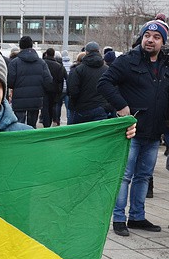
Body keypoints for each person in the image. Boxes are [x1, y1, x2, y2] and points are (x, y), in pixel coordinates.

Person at [98, 19, 169, 237]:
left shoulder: (166, 64)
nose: (151, 40)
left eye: (157, 37)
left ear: (163, 42)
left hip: (155, 131)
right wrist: (121, 106)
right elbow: (104, 83)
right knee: (125, 176)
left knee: (144, 176)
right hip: (132, 131)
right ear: (142, 37)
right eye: (148, 35)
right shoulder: (128, 61)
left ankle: (137, 216)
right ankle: (119, 218)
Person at [7, 35, 52, 128]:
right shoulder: (41, 63)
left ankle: (20, 141)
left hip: (19, 99)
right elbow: (48, 81)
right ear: (32, 46)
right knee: (32, 125)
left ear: (20, 47)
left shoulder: (15, 63)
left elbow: (10, 82)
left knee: (19, 125)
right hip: (36, 99)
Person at [67, 42, 113, 124]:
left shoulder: (79, 69)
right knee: (98, 135)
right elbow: (112, 89)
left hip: (82, 109)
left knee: (81, 134)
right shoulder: (107, 70)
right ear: (98, 51)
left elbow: (73, 90)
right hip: (101, 108)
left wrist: (76, 104)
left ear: (86, 52)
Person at [41, 48, 66, 127]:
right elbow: (61, 79)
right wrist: (59, 91)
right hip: (54, 90)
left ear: (46, 54)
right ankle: (51, 121)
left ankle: (46, 124)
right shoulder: (58, 66)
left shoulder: (42, 64)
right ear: (54, 54)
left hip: (43, 89)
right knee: (52, 107)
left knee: (45, 108)